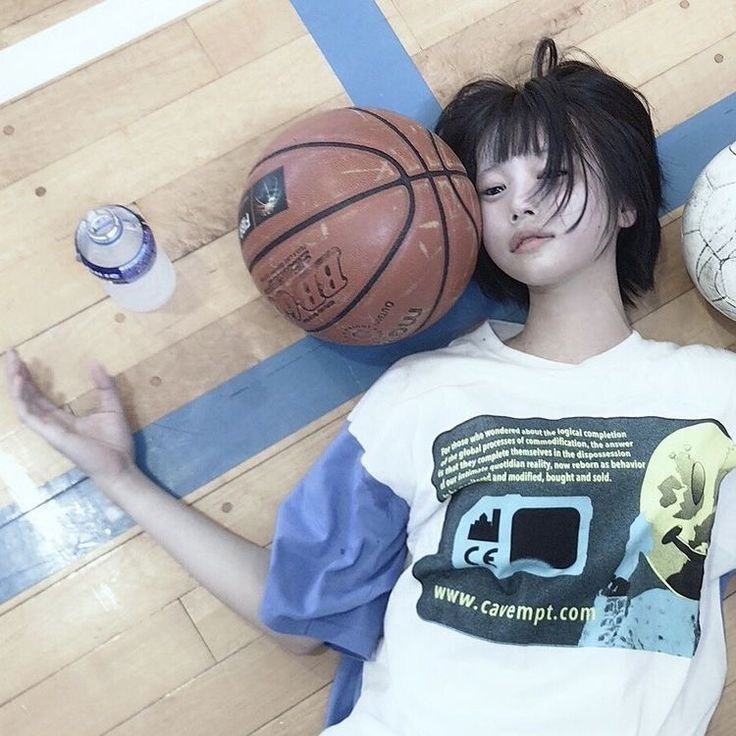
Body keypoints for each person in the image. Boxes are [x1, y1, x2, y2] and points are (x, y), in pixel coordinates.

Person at [7, 37, 736, 735]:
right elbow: (297, 617)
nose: (519, 202)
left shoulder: (716, 394)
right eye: (492, 186)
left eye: (553, 175)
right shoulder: (420, 395)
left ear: (627, 202)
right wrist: (120, 479)